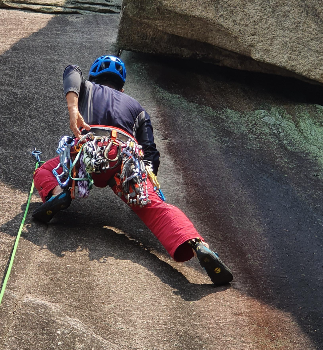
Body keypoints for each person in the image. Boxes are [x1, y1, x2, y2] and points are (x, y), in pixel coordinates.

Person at [32, 55, 234, 286]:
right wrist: (146, 184)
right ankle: (198, 245)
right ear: (122, 87)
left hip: (89, 150)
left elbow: (72, 70)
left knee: (44, 170)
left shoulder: (87, 87)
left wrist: (73, 109)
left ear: (94, 78)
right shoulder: (137, 109)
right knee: (156, 208)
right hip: (125, 159)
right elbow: (150, 152)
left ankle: (58, 193)